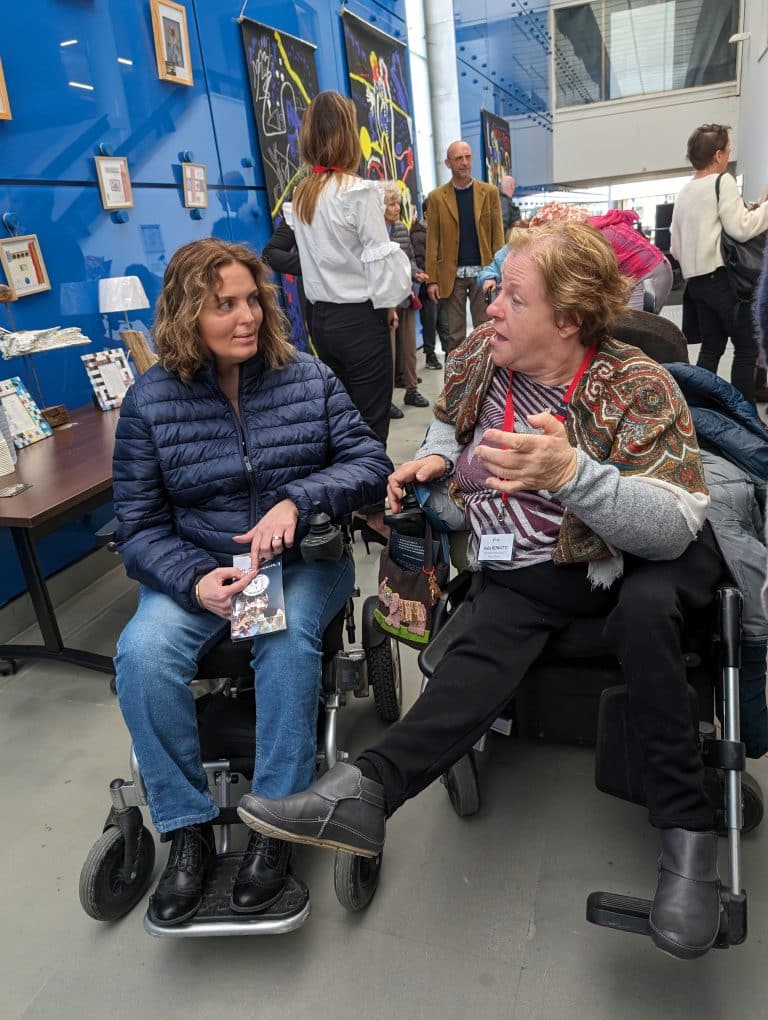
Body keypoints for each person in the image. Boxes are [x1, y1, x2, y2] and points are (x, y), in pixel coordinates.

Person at [238, 222, 727, 962]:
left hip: (640, 557)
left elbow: (673, 524)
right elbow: (445, 427)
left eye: (512, 296)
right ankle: (367, 792)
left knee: (646, 612)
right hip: (532, 564)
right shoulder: (480, 361)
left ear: (567, 319)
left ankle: (688, 838)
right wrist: (434, 465)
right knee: (482, 636)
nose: (488, 306)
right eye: (494, 288)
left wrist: (569, 475)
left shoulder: (636, 384)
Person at [112, 238, 392, 927]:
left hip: (300, 566)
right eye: (224, 305)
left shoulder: (307, 377)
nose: (247, 317)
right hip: (205, 575)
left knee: (288, 635)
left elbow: (369, 461)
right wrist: (196, 580)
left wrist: (297, 499)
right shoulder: (150, 403)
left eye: (252, 300)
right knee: (142, 655)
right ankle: (186, 831)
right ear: (185, 317)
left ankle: (273, 824)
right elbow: (139, 526)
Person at [284, 90, 411, 448]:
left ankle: (347, 498)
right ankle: (369, 505)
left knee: (342, 419)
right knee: (372, 422)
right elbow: (381, 261)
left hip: (321, 322)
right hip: (359, 321)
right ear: (347, 134)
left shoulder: (303, 194)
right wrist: (389, 302)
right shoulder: (358, 191)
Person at [670, 123, 768, 403]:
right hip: (723, 282)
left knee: (711, 350)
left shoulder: (685, 191)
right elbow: (741, 229)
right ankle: (747, 420)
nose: (727, 155)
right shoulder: (721, 181)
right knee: (746, 351)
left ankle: (701, 412)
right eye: (727, 151)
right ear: (716, 156)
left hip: (696, 286)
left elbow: (675, 249)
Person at [424, 140, 504, 352]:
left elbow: (498, 236)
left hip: (484, 274)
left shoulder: (489, 192)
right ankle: (455, 383)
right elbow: (433, 240)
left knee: (486, 330)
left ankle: (486, 380)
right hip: (451, 277)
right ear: (448, 163)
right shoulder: (436, 198)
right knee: (454, 336)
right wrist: (432, 279)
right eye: (458, 158)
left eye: (468, 157)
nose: (464, 162)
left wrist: (499, 272)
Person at [529, 202, 672, 313]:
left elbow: (588, 281)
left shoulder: (588, 236)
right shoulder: (593, 225)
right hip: (653, 270)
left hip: (648, 274)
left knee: (631, 333)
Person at [383, 181, 429, 411]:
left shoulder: (401, 228)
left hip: (405, 294)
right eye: (392, 203)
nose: (396, 208)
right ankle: (387, 399)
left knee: (409, 347)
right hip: (384, 300)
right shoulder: (372, 232)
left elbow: (408, 259)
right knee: (388, 352)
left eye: (397, 203)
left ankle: (412, 390)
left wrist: (417, 273)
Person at [410, 197, 448, 370]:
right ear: (427, 214)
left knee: (443, 321)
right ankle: (430, 355)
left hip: (440, 284)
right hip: (427, 286)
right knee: (430, 322)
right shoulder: (418, 234)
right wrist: (430, 278)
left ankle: (449, 352)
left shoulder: (438, 232)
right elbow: (420, 260)